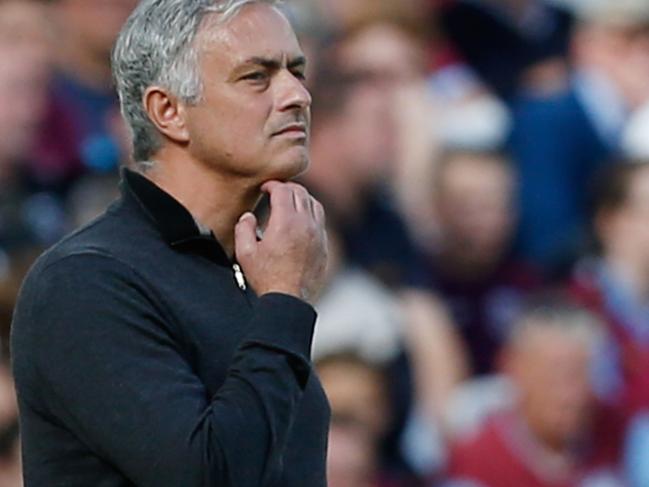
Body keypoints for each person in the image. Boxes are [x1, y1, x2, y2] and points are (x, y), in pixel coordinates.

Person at [11, 1, 330, 486]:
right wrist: (284, 300)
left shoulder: (249, 272)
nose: (297, 95)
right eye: (256, 77)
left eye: (296, 70)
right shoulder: (86, 282)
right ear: (168, 112)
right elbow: (207, 476)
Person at [444, 297, 624, 487]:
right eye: (556, 376)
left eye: (582, 375)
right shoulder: (476, 455)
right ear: (514, 369)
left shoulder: (617, 433)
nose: (571, 396)